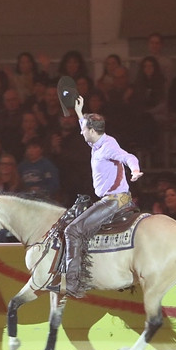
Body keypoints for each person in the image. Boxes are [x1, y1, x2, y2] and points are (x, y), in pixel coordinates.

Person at [61, 95, 142, 298]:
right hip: (110, 199)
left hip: (115, 201)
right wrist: (80, 112)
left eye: (84, 128)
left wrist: (135, 169)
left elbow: (128, 157)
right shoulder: (97, 142)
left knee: (72, 230)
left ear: (92, 131)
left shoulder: (108, 147)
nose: (81, 131)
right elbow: (84, 127)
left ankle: (73, 284)